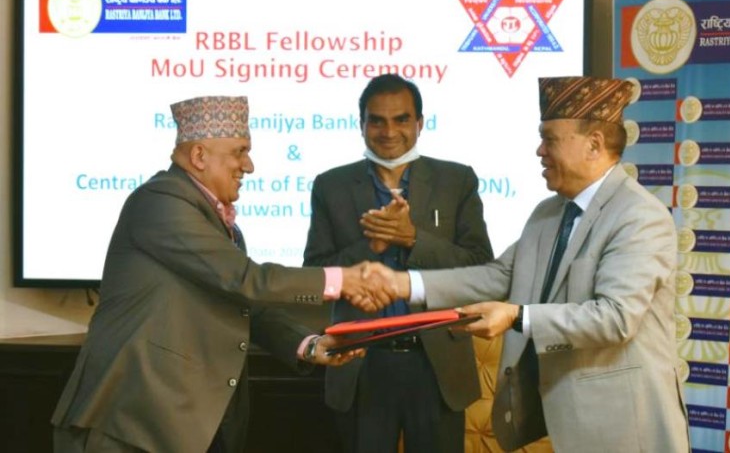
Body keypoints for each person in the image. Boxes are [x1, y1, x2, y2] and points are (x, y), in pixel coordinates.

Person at [51, 95, 397, 453]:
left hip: (188, 424)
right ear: (199, 156)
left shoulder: (222, 227)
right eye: (239, 152)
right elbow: (246, 280)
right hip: (130, 424)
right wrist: (343, 280)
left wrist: (309, 345)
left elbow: (245, 305)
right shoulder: (159, 202)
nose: (249, 166)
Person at [370, 76, 691, 452]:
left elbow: (615, 318)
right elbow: (500, 275)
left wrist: (516, 316)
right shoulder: (548, 213)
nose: (540, 150)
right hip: (566, 421)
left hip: (626, 427)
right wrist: (402, 284)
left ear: (594, 144)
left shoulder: (637, 215)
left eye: (550, 139)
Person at [303, 74, 494, 453]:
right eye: (376, 120)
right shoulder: (331, 185)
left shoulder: (457, 180)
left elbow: (481, 267)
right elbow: (314, 274)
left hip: (436, 360)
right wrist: (370, 246)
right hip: (361, 361)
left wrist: (412, 239)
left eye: (401, 119)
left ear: (420, 123)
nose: (389, 132)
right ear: (361, 125)